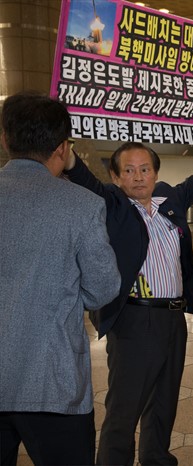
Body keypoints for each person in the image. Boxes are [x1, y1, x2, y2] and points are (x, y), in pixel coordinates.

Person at [64, 135, 193, 465]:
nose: (138, 177)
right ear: (115, 177)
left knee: (163, 401)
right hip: (134, 320)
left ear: (155, 173)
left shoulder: (170, 199)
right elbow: (83, 178)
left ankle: (156, 458)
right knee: (125, 408)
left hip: (173, 318)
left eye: (145, 169)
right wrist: (66, 151)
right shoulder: (113, 204)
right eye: (128, 170)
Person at [0, 92, 120, 465]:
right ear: (62, 147)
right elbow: (103, 289)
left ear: (5, 139)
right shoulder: (82, 205)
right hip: (53, 382)